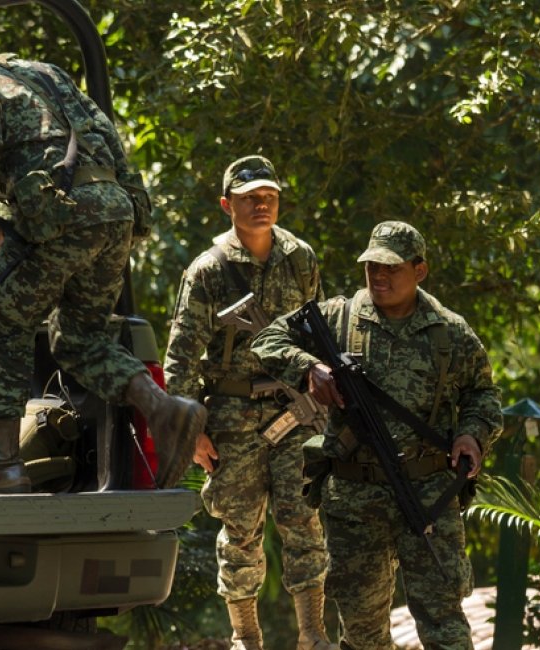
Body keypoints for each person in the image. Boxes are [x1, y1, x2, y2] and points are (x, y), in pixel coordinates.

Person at [0, 30, 205, 494]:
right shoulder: (39, 73)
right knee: (78, 337)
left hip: (62, 216)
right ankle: (164, 409)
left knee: (2, 323)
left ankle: (4, 465)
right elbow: (105, 138)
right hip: (114, 214)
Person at [252, 221, 503, 650]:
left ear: (419, 270)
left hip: (427, 495)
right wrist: (308, 366)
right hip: (355, 499)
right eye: (371, 267)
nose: (378, 276)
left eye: (391, 268)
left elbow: (484, 395)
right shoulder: (339, 317)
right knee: (363, 632)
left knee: (444, 623)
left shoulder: (449, 331)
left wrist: (472, 436)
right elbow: (266, 339)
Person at [163, 155, 336, 650]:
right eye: (249, 199)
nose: (262, 206)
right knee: (239, 530)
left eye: (270, 198)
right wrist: (191, 430)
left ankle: (312, 634)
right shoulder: (208, 270)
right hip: (232, 420)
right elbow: (180, 358)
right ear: (227, 205)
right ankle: (246, 638)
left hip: (296, 413)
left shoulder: (300, 257)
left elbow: (318, 334)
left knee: (303, 519)